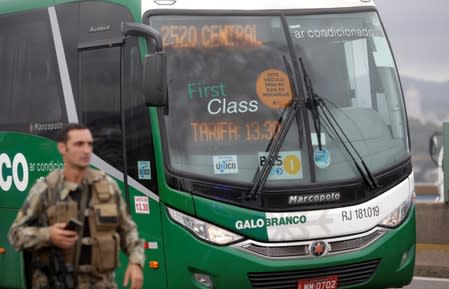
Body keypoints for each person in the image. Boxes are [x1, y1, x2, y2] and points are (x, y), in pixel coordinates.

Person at [8, 123, 145, 289]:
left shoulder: (108, 187)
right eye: (79, 144)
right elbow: (15, 235)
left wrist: (136, 262)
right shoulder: (46, 190)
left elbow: (128, 230)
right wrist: (48, 235)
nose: (86, 150)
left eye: (89, 144)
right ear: (62, 148)